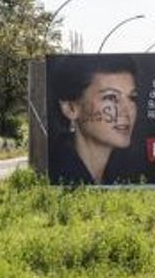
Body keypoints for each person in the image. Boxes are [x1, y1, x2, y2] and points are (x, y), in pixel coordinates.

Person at [49, 55, 139, 185]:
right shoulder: (54, 176)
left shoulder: (123, 176)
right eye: (111, 98)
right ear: (71, 108)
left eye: (132, 97)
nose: (127, 111)